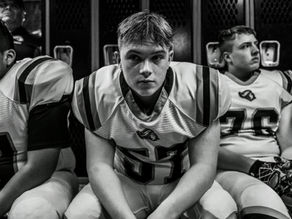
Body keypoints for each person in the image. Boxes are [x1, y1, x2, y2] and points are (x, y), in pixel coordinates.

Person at [65, 11, 237, 219]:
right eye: (134, 57)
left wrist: (165, 214)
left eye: (156, 57)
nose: (146, 69)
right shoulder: (96, 92)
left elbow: (204, 166)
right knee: (80, 214)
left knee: (221, 210)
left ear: (170, 56)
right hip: (125, 183)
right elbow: (99, 166)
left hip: (182, 182)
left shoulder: (201, 89)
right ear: (117, 58)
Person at [0, 21, 78, 218]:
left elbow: (40, 167)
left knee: (32, 211)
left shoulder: (30, 79)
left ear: (8, 56)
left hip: (43, 182)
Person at [215, 25, 292, 219]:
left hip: (274, 166)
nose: (256, 50)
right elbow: (204, 151)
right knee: (262, 199)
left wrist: (288, 164)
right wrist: (257, 168)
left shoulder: (278, 82)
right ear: (227, 57)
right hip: (230, 169)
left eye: (255, 44)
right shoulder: (211, 85)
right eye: (245, 46)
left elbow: (287, 144)